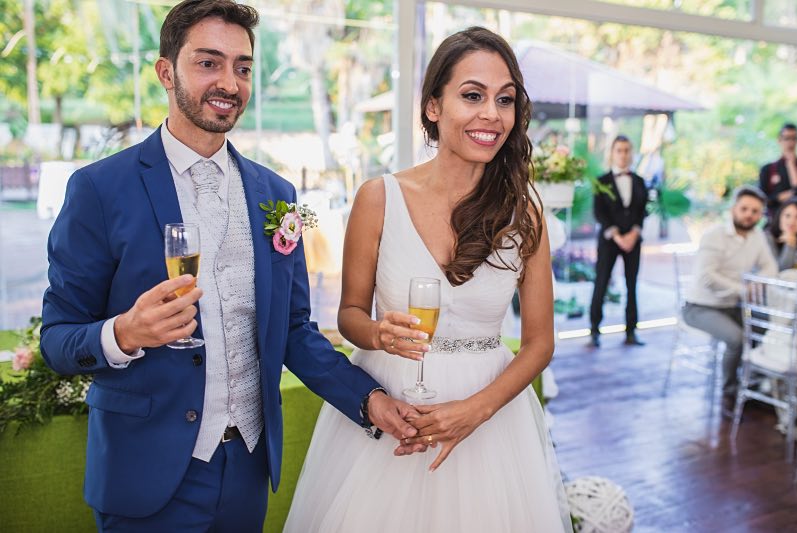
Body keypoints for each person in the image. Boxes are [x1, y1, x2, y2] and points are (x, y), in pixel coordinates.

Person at [39, 1, 423, 530]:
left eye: (242, 67)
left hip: (246, 469)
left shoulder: (276, 195)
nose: (229, 82)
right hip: (145, 474)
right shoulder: (99, 189)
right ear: (166, 72)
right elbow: (57, 339)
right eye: (208, 63)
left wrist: (369, 400)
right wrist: (124, 333)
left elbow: (294, 330)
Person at [283, 27, 571, 533]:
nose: (491, 114)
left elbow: (539, 343)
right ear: (433, 106)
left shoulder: (525, 215)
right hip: (394, 405)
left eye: (505, 99)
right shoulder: (379, 198)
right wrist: (378, 334)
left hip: (490, 421)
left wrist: (474, 412)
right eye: (472, 95)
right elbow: (349, 315)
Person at [682, 186, 778, 415]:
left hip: (734, 306)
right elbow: (706, 277)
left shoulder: (757, 237)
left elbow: (770, 267)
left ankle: (753, 384)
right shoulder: (714, 235)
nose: (749, 215)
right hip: (699, 307)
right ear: (734, 208)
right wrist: (743, 289)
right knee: (736, 338)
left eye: (755, 211)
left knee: (768, 327)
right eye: (744, 209)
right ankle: (729, 392)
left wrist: (756, 283)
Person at [589, 135, 649, 347]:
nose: (623, 155)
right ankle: (594, 330)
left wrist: (634, 233)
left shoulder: (640, 181)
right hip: (609, 241)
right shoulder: (601, 181)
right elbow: (599, 212)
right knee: (602, 281)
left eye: (627, 150)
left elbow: (643, 211)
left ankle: (631, 331)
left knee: (632, 284)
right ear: (612, 153)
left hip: (633, 240)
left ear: (631, 153)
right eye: (619, 150)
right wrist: (616, 236)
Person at [759, 122, 797, 220]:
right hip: (774, 220)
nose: (790, 143)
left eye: (794, 138)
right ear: (779, 140)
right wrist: (779, 197)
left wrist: (791, 165)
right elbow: (762, 199)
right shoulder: (768, 169)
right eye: (787, 138)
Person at [765, 196, 797, 270]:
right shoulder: (768, 237)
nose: (792, 221)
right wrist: (791, 244)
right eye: (787, 215)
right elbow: (778, 270)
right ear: (779, 217)